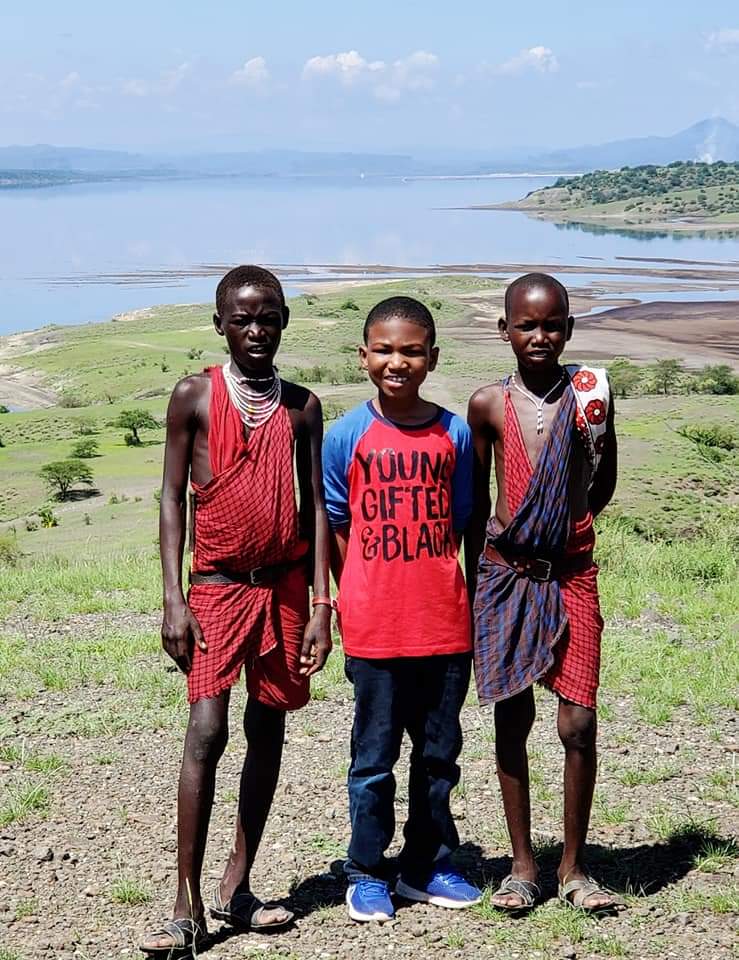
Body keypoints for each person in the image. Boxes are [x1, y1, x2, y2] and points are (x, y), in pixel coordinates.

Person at [140, 266, 332, 955]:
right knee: (207, 730)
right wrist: (172, 597)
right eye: (242, 318)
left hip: (282, 587)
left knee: (268, 726)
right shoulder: (194, 395)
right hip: (216, 588)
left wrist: (320, 603)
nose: (256, 331)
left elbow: (316, 509)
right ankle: (185, 900)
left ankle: (237, 884)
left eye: (269, 317)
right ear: (219, 323)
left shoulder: (301, 407)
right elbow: (169, 498)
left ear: (284, 321)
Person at [323, 295, 481, 923]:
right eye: (384, 350)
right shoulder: (346, 435)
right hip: (375, 630)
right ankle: (366, 868)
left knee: (439, 756)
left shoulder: (455, 433)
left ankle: (430, 864)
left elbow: (465, 520)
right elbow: (337, 523)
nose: (398, 362)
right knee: (372, 760)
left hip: (444, 626)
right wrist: (353, 592)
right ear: (363, 357)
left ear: (432, 358)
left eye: (411, 351)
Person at [465, 273, 617, 913]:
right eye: (526, 326)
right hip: (506, 574)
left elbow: (602, 482)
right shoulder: (488, 405)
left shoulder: (590, 397)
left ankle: (574, 868)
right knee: (512, 716)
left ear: (569, 330)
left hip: (571, 573)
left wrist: (563, 519)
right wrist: (476, 572)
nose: (539, 336)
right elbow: (474, 502)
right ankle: (522, 865)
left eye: (552, 325)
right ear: (505, 331)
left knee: (577, 721)